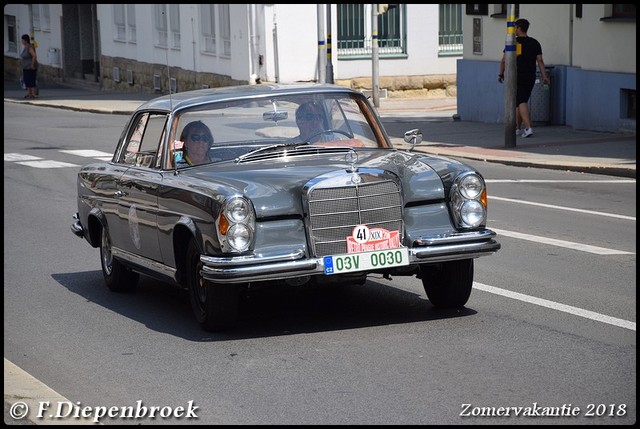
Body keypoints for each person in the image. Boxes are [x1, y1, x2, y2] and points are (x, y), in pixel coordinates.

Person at [498, 18, 549, 138]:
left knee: (521, 101)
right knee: (520, 101)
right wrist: (544, 76)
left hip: (516, 76)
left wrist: (501, 73)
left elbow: (504, 60)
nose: (514, 30)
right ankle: (517, 128)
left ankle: (528, 127)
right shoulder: (535, 42)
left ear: (519, 28)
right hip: (530, 76)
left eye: (515, 27)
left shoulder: (513, 42)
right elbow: (540, 60)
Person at [20, 34, 38, 99]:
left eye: (22, 40)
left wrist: (32, 65)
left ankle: (33, 94)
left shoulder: (29, 47)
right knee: (27, 80)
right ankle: (29, 93)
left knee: (31, 80)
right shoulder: (25, 47)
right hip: (26, 67)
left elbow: (34, 56)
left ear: (26, 40)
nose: (22, 41)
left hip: (30, 67)